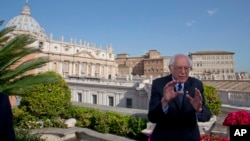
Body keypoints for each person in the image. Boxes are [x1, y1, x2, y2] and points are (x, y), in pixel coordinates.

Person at [148, 54, 211, 141]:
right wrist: (164, 102)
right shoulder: (159, 84)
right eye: (179, 68)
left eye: (186, 68)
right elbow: (152, 117)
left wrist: (199, 109)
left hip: (190, 138)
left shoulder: (196, 84)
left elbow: (206, 117)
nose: (183, 71)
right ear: (171, 68)